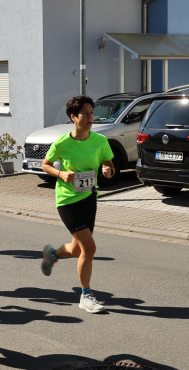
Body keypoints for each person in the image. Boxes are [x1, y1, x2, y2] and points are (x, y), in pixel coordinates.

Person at [40, 95, 115, 314]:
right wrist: (61, 174)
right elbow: (45, 165)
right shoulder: (62, 142)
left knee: (77, 248)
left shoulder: (100, 141)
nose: (90, 117)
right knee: (89, 247)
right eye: (85, 113)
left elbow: (109, 166)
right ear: (73, 117)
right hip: (67, 200)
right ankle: (86, 295)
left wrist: (108, 171)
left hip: (89, 198)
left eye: (92, 113)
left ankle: (52, 255)